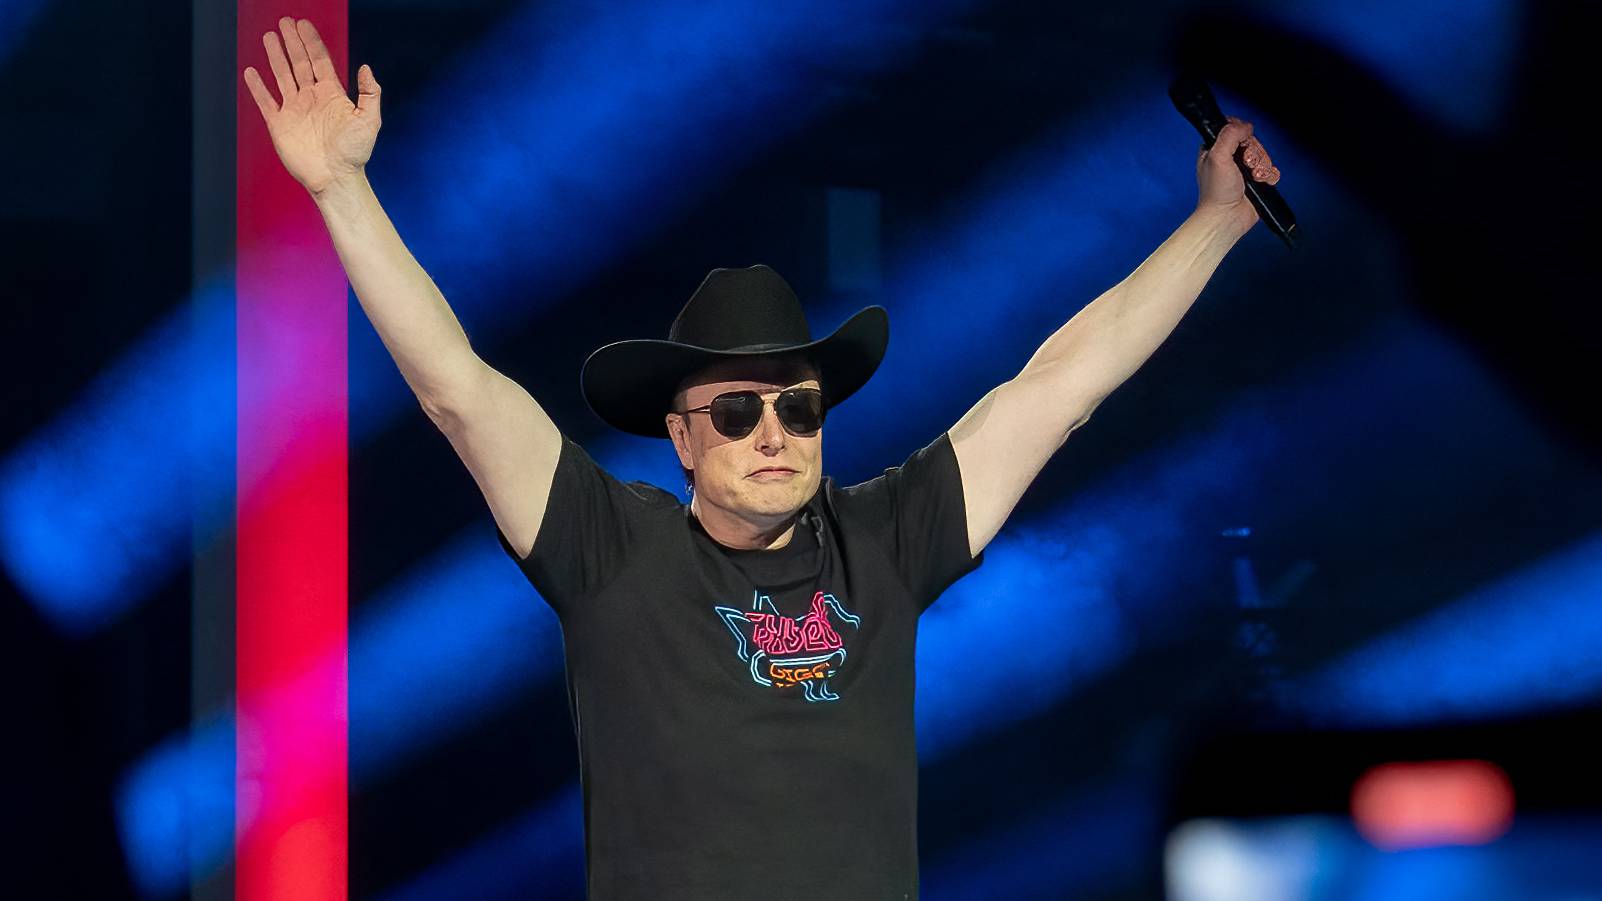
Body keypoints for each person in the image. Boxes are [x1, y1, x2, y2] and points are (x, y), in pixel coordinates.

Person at [244, 16, 1281, 900]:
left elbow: (1061, 384)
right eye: (737, 411)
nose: (774, 431)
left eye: (798, 405)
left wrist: (1215, 223)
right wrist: (342, 191)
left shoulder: (885, 537)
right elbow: (458, 393)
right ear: (681, 437)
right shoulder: (611, 545)